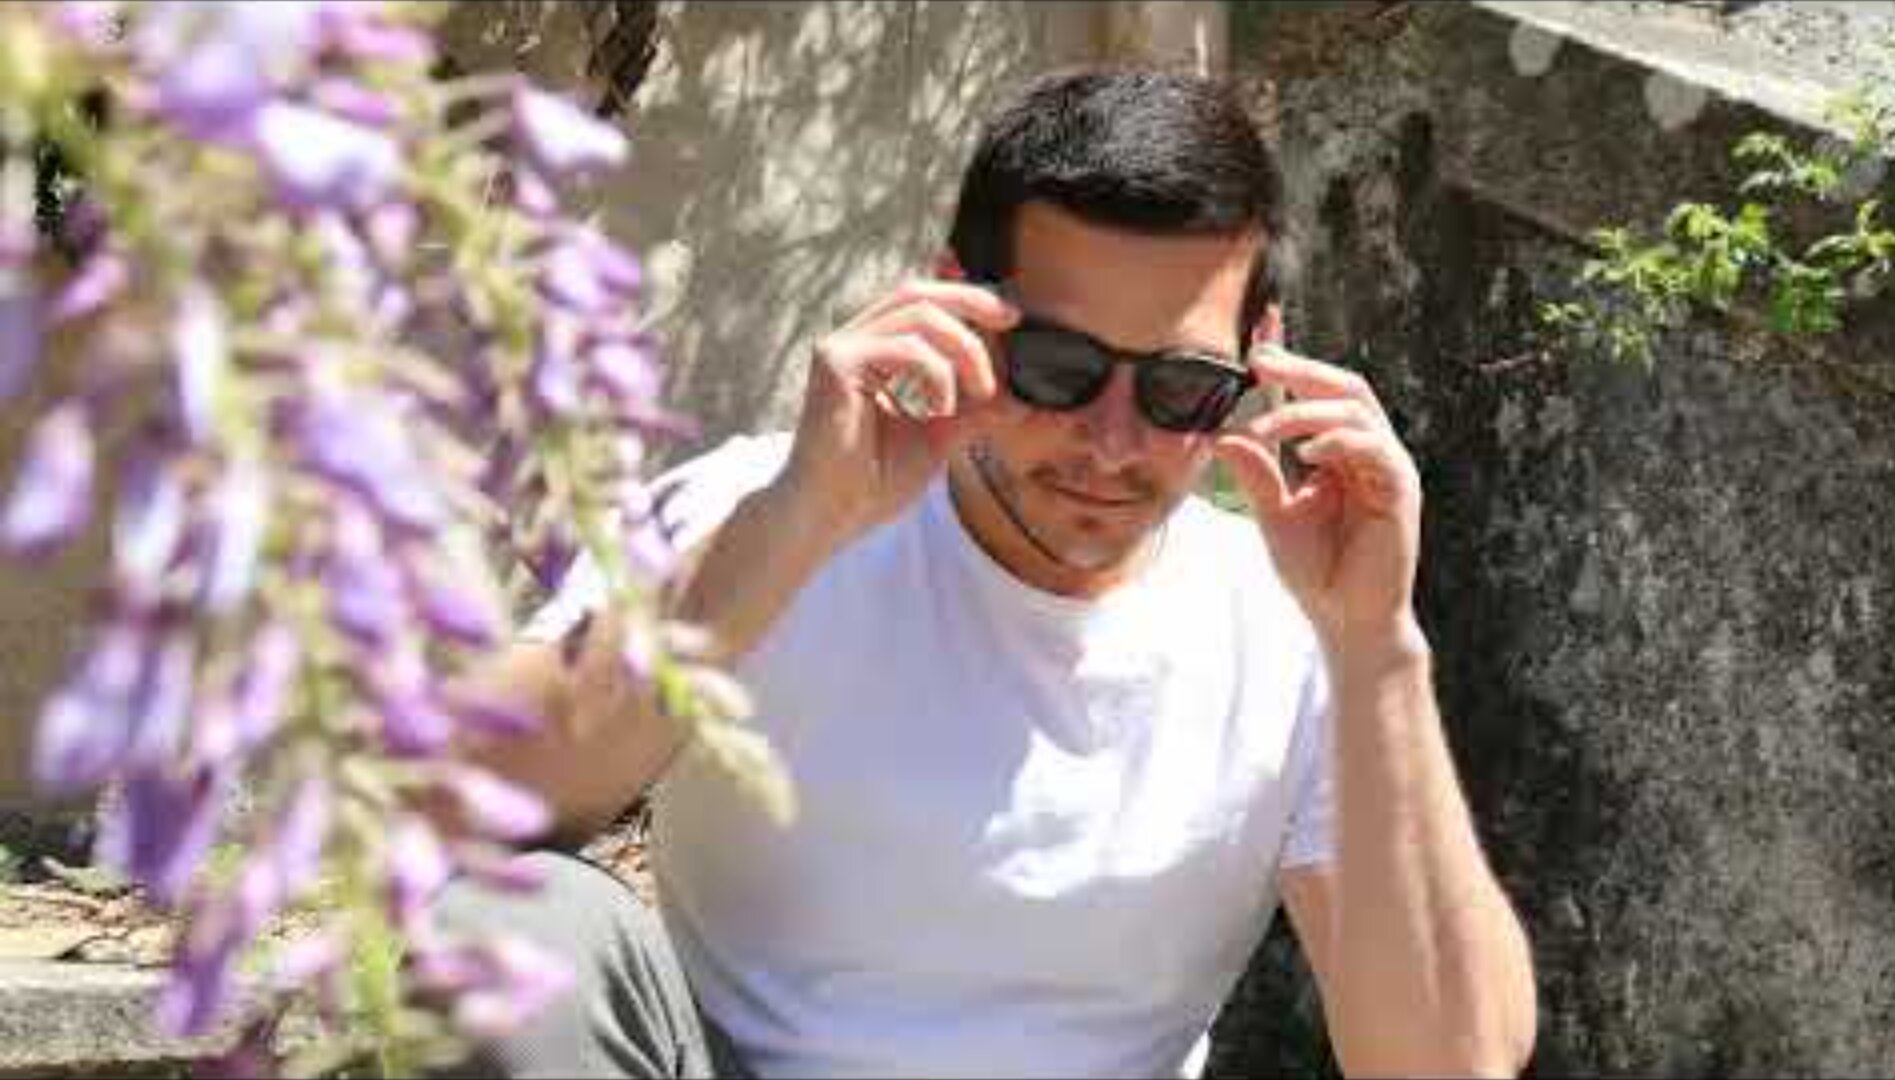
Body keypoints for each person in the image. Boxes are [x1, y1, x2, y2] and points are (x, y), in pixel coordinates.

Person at [439, 68, 1537, 1079]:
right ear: (955, 306)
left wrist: (1379, 649)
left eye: (1180, 389)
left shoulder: (1289, 628)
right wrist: (796, 525)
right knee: (519, 926)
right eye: (1059, 367)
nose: (1111, 443)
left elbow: (1455, 1064)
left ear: (1264, 363)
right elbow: (463, 802)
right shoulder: (762, 509)